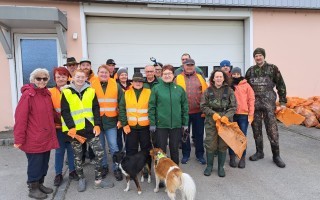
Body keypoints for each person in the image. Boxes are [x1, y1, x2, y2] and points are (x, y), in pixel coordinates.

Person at [61, 69, 114, 192]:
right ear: (73, 78)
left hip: (90, 129)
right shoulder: (66, 92)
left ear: (86, 78)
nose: (80, 79)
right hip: (75, 131)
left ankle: (98, 181)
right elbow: (65, 111)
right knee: (78, 157)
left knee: (99, 153)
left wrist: (97, 124)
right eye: (77, 77)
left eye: (82, 77)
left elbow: (96, 108)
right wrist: (71, 127)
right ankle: (81, 179)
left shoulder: (91, 91)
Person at [14, 68, 59, 199]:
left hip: (46, 136)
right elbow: (20, 118)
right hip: (33, 138)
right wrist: (19, 139)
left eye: (45, 79)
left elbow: (51, 113)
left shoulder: (46, 94)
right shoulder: (28, 95)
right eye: (38, 78)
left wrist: (63, 120)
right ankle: (33, 188)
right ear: (33, 80)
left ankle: (40, 184)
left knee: (44, 163)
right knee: (35, 164)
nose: (42, 81)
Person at [245, 47, 287, 168]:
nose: (258, 58)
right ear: (254, 58)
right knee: (256, 129)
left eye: (260, 55)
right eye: (256, 56)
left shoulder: (273, 68)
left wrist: (283, 101)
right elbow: (245, 88)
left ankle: (276, 155)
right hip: (255, 105)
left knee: (272, 130)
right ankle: (259, 152)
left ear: (264, 56)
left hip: (269, 104)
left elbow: (281, 85)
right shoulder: (250, 71)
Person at [148, 64, 189, 165]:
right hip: (161, 124)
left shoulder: (179, 89)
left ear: (173, 75)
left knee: (174, 148)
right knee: (161, 150)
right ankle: (162, 172)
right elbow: (152, 106)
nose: (167, 75)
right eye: (165, 74)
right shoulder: (156, 89)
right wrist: (152, 122)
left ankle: (175, 171)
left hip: (176, 124)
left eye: (169, 73)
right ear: (161, 75)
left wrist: (185, 123)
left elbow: (185, 107)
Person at [200, 69, 237, 177]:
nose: (219, 78)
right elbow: (203, 106)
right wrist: (212, 114)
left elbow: (234, 107)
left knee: (223, 144)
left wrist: (227, 116)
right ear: (213, 78)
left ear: (224, 78)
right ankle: (209, 166)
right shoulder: (207, 91)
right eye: (217, 77)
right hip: (211, 121)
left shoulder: (229, 91)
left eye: (221, 76)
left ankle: (221, 167)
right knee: (210, 144)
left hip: (225, 122)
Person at [91, 65, 124, 181]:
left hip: (111, 122)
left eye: (106, 72)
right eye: (101, 72)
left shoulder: (116, 85)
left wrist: (121, 119)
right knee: (101, 147)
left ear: (109, 73)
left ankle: (117, 167)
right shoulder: (91, 85)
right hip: (97, 122)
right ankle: (104, 166)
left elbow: (121, 103)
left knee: (113, 146)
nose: (104, 74)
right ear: (98, 73)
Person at [50, 67, 79, 187]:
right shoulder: (50, 92)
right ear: (54, 78)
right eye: (58, 76)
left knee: (72, 150)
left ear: (68, 78)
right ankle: (58, 174)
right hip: (58, 127)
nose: (61, 78)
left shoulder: (72, 90)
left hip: (71, 126)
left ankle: (72, 171)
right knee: (59, 151)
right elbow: (48, 109)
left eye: (63, 76)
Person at [175, 58, 208, 165]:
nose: (189, 67)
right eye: (187, 65)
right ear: (183, 66)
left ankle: (200, 154)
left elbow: (205, 93)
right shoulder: (178, 78)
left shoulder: (200, 77)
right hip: (184, 112)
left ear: (194, 66)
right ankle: (186, 154)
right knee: (185, 134)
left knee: (199, 134)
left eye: (191, 65)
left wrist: (205, 109)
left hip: (198, 111)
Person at [118, 72, 152, 158]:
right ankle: (132, 169)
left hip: (145, 127)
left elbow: (153, 108)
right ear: (132, 82)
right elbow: (122, 109)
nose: (138, 83)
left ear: (143, 82)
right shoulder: (126, 93)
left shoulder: (149, 92)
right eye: (136, 81)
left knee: (146, 149)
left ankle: (146, 169)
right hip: (131, 127)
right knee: (131, 150)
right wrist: (124, 124)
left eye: (140, 81)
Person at [228, 67, 255, 168]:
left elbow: (251, 100)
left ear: (240, 74)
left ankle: (242, 158)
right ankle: (232, 157)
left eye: (237, 74)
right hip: (232, 114)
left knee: (242, 137)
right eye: (234, 74)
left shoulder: (247, 86)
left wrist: (251, 114)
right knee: (231, 137)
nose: (235, 76)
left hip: (243, 115)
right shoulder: (229, 86)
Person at [79, 58, 97, 164]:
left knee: (91, 137)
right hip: (79, 115)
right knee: (81, 139)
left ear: (90, 67)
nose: (85, 67)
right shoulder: (76, 77)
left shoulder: (95, 79)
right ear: (80, 67)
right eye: (83, 65)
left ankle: (92, 156)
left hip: (90, 113)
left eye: (87, 65)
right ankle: (82, 158)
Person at [116, 67, 132, 151]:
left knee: (127, 133)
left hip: (129, 113)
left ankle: (128, 149)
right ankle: (120, 151)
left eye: (125, 74)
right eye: (122, 75)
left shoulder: (131, 85)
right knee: (118, 134)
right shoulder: (116, 86)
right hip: (118, 113)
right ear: (118, 76)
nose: (124, 76)